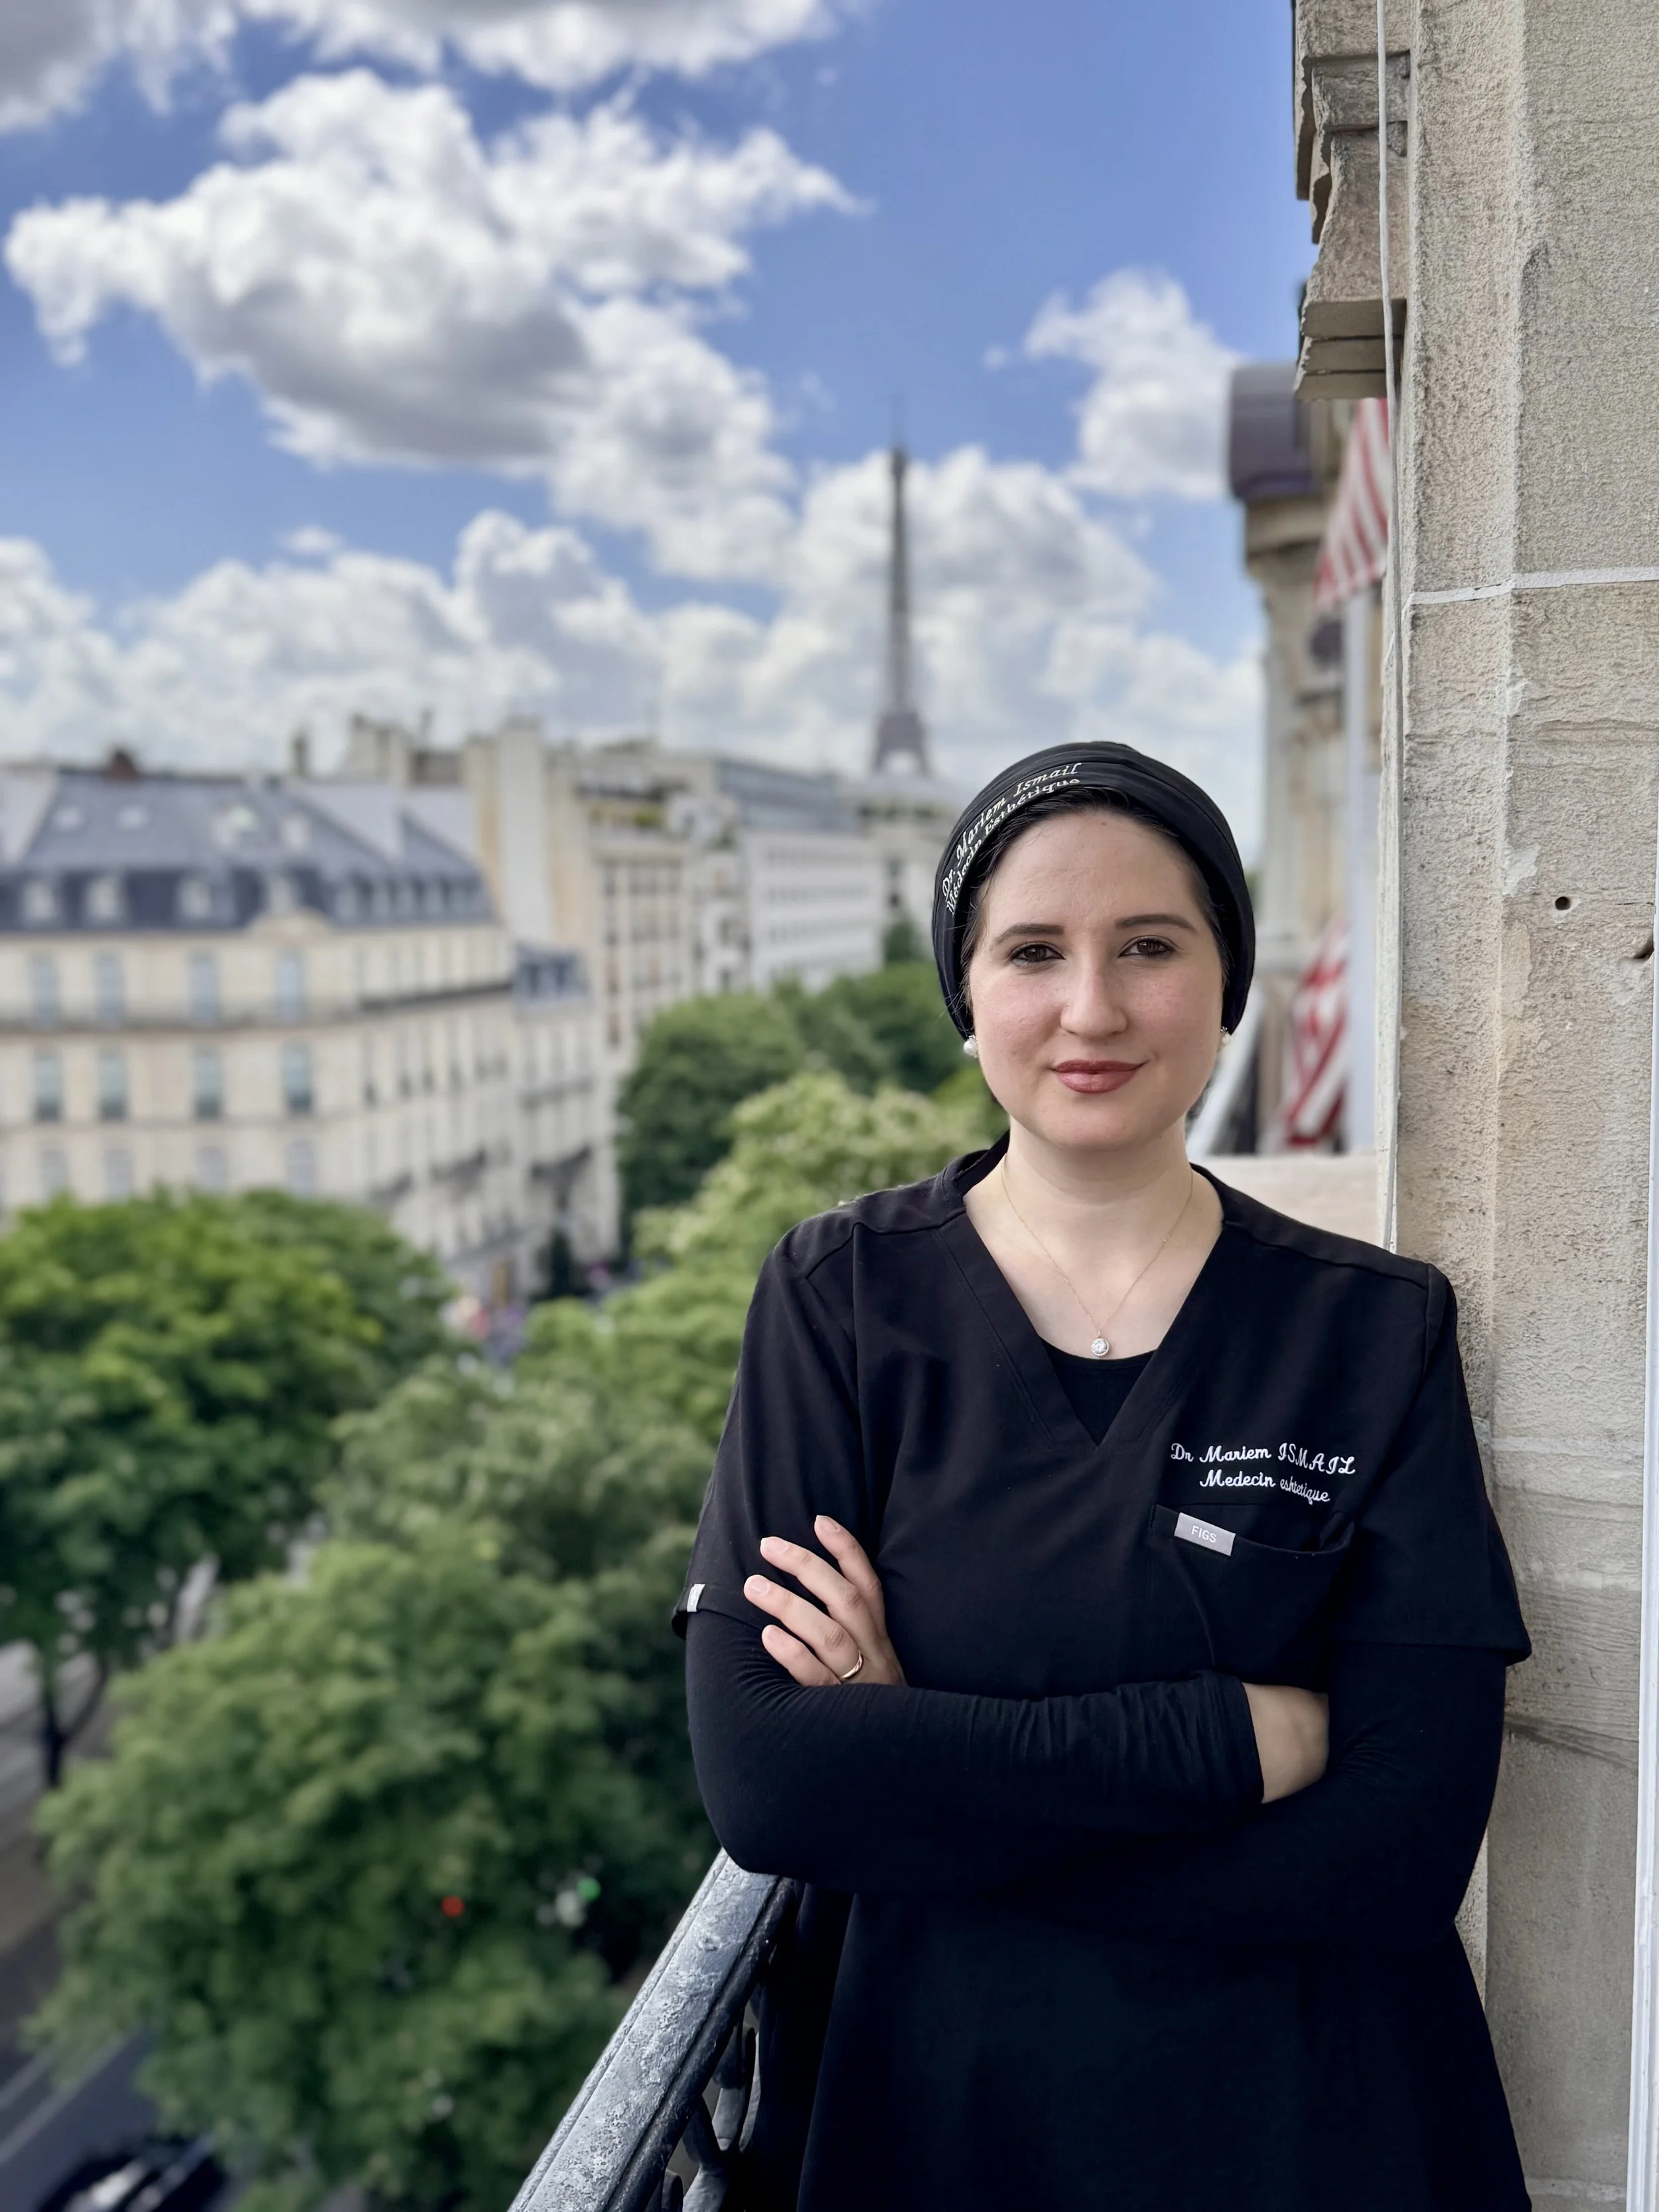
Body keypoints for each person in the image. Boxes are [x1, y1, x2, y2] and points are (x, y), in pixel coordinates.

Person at [677, 741, 1531, 2211]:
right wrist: (1223, 1746)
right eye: (1031, 951)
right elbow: (768, 1777)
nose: (1091, 1007)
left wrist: (924, 1765)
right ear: (965, 997)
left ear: (1223, 988)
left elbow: (1398, 1844)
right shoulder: (841, 1301)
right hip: (943, 2122)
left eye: (1148, 945)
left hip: (1308, 2126)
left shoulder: (1369, 1326)